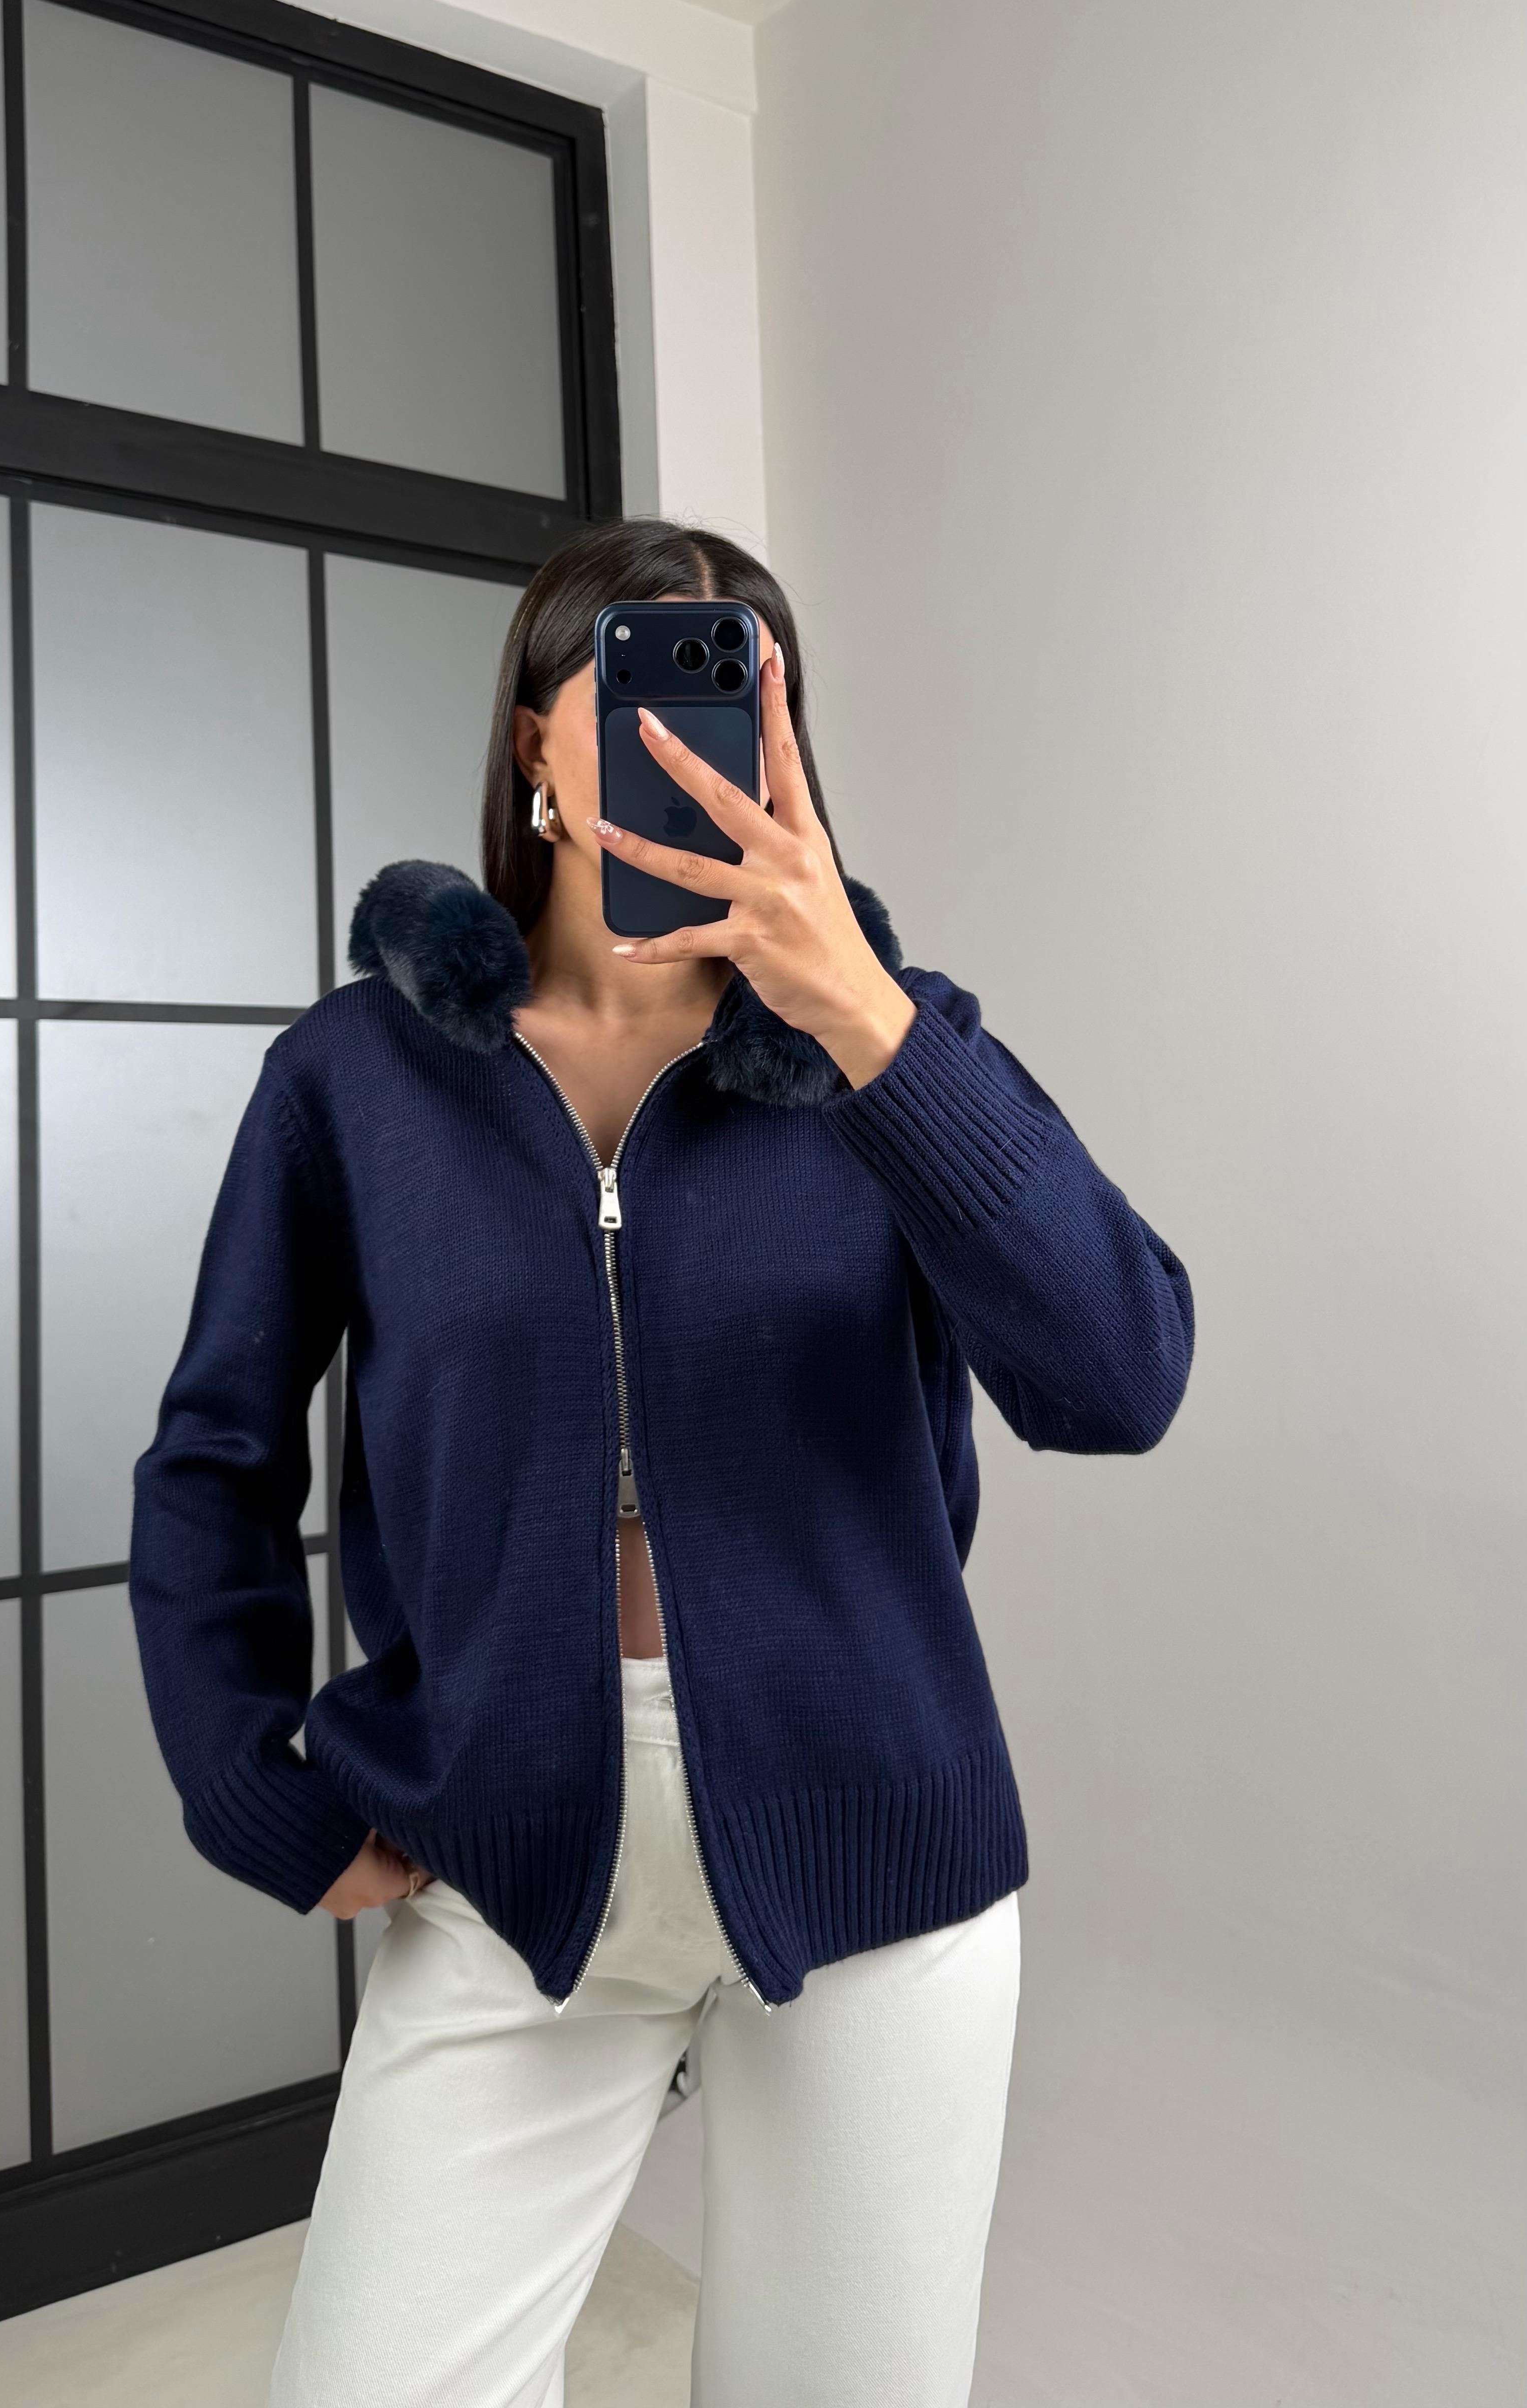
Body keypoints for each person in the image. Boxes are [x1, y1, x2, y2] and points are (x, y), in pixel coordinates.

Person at [129, 517, 1195, 2408]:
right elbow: (215, 1448)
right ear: (535, 744)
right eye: (631, 686)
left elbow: (1122, 1374)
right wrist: (246, 1779)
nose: (681, 739)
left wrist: (863, 1017)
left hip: (877, 1867)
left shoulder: (895, 1053)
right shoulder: (358, 1077)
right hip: (504, 1859)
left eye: (734, 692)